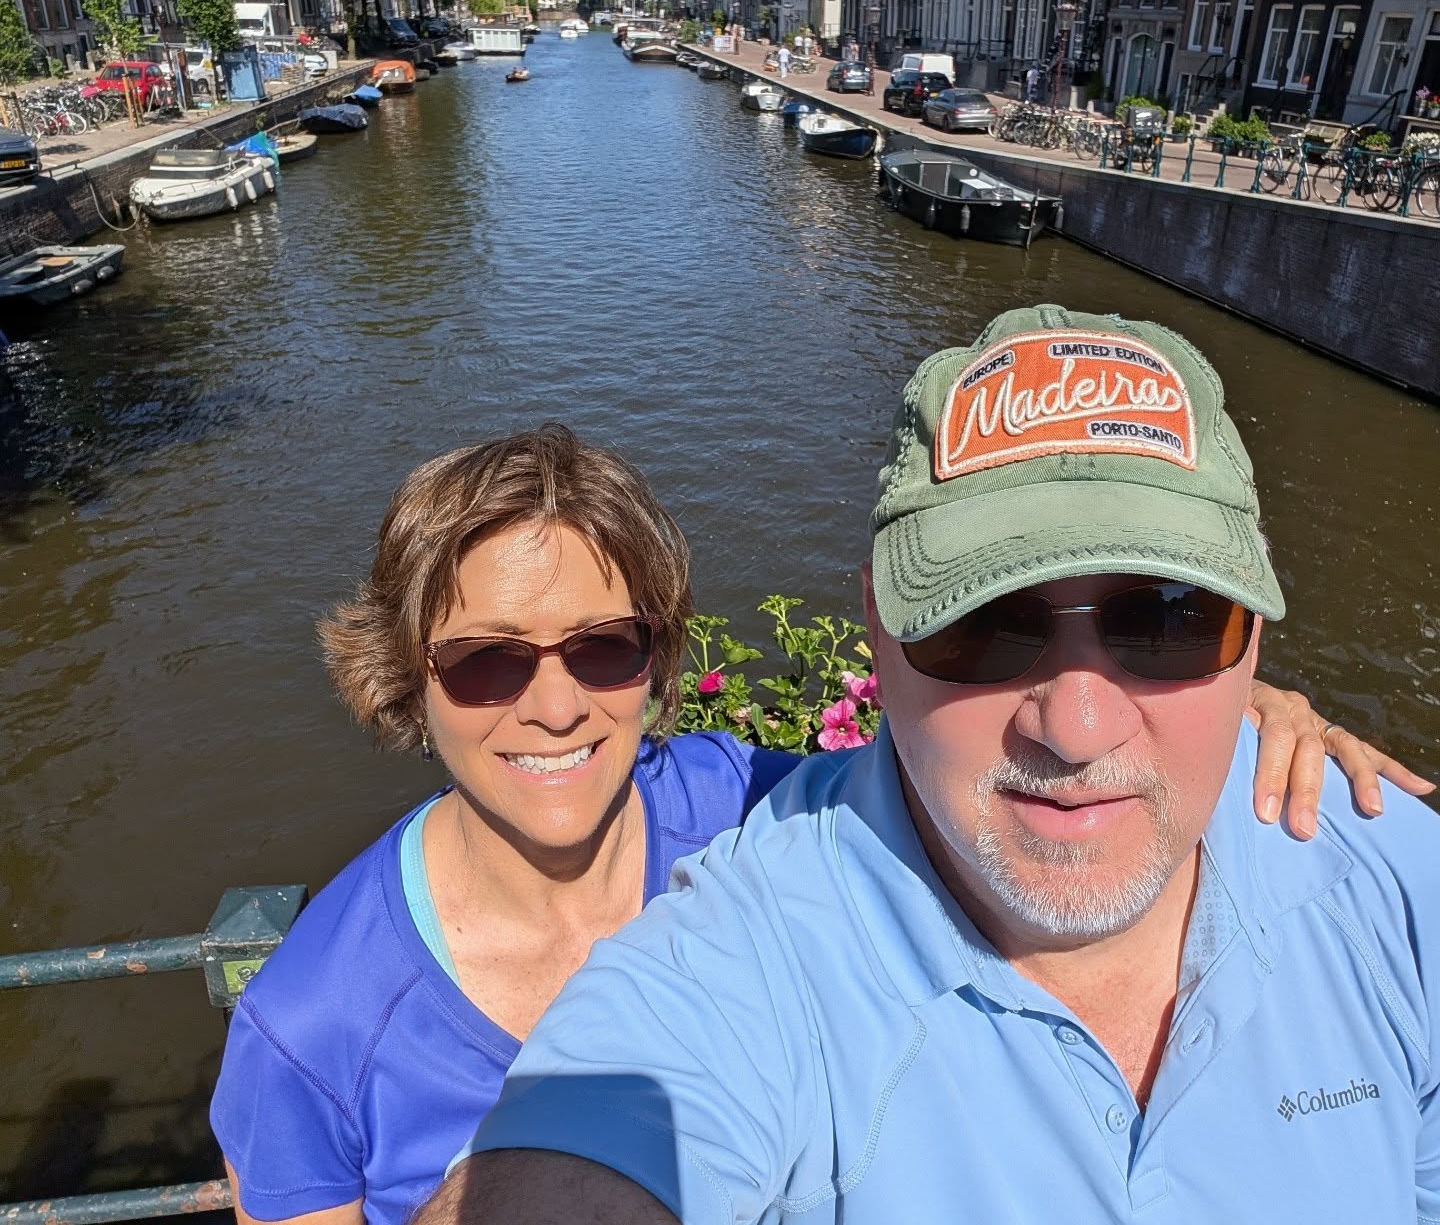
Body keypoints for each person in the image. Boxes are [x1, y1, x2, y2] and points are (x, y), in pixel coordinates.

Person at [211, 425, 1419, 1225]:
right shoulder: (309, 1028)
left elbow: (964, 766)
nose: (557, 703)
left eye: (605, 647)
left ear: (659, 657)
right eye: (486, 662)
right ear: (404, 677)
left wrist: (1218, 702)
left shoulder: (753, 805)